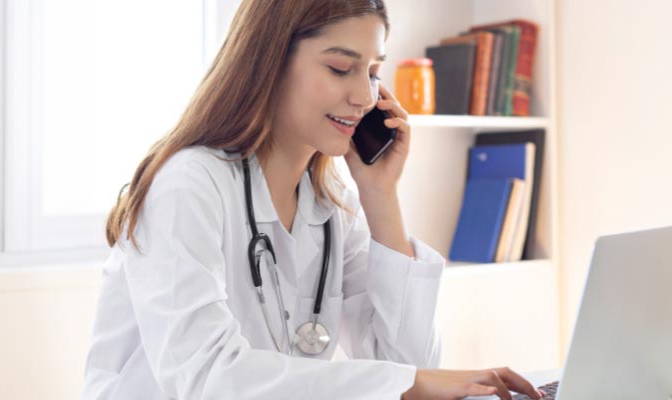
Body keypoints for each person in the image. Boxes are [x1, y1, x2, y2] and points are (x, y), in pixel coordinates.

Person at [81, 1, 545, 399]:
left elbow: (406, 361)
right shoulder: (188, 185)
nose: (365, 96)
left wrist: (380, 194)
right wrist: (408, 383)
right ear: (269, 62)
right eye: (340, 68)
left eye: (374, 71)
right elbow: (206, 380)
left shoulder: (330, 204)